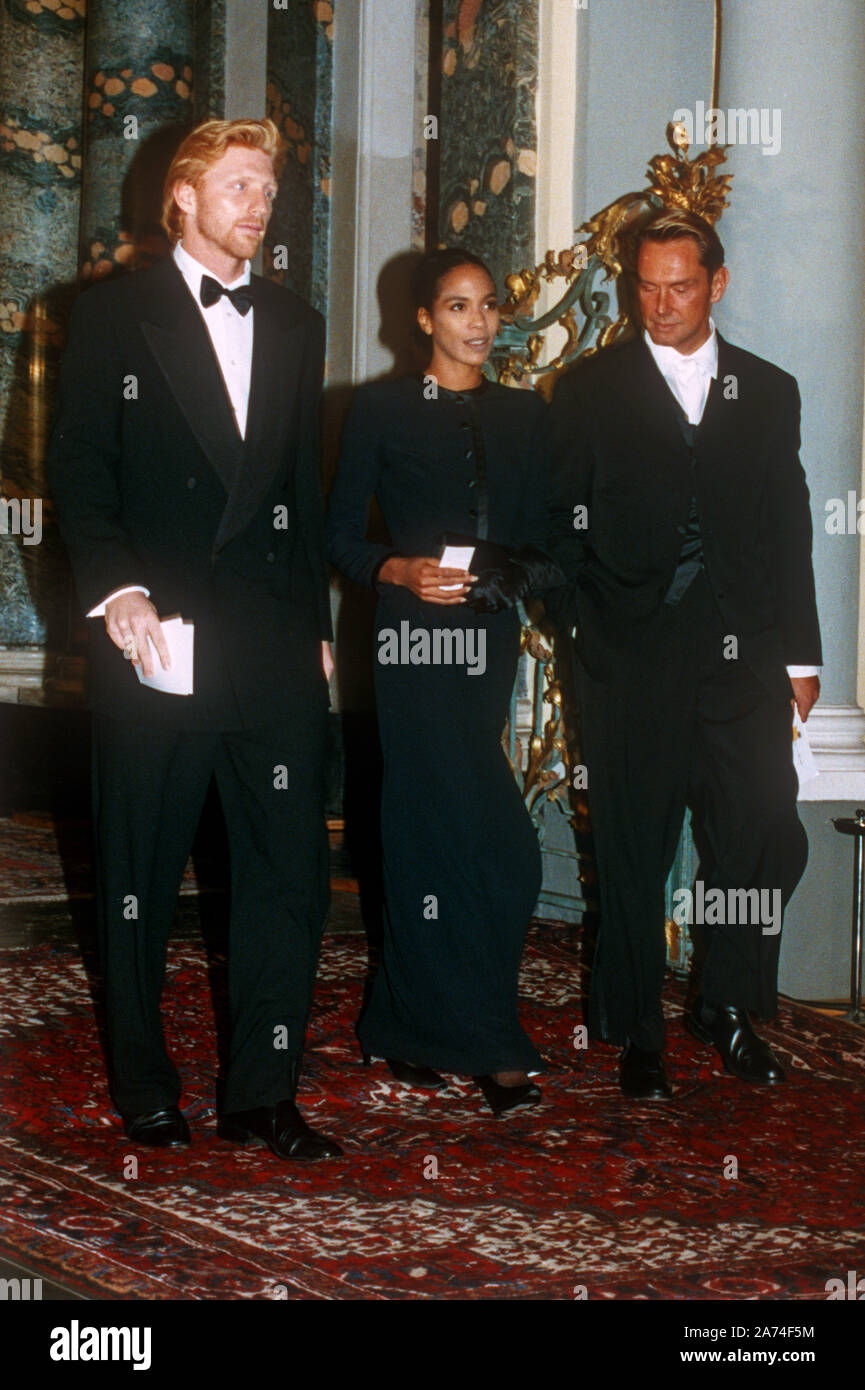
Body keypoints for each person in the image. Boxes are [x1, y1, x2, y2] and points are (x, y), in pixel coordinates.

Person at [47, 118, 341, 1160]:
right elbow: (79, 470)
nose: (257, 204)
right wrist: (115, 589)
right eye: (235, 185)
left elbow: (301, 496)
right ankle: (145, 1088)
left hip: (268, 641)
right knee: (139, 866)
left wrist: (315, 632)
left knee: (286, 873)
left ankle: (263, 1093)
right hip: (158, 636)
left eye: (267, 185)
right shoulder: (110, 315)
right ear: (181, 196)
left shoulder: (298, 324)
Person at [548, 208, 822, 1100]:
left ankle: (728, 1006)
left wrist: (800, 657)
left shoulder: (769, 389)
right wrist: (579, 624)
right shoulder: (590, 389)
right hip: (629, 655)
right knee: (633, 843)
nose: (660, 306)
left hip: (741, 657)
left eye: (680, 287)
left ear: (718, 284)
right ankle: (636, 1031)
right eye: (645, 288)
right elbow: (557, 520)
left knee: (756, 832)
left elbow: (788, 524)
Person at [327, 248, 561, 1116]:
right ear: (423, 320)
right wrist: (399, 571)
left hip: (484, 640)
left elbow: (551, 545)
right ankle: (490, 1044)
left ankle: (403, 1025)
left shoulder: (524, 417)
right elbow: (340, 537)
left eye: (489, 306)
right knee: (485, 842)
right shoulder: (380, 408)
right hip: (410, 642)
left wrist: (512, 577)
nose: (479, 323)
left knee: (448, 837)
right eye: (457, 307)